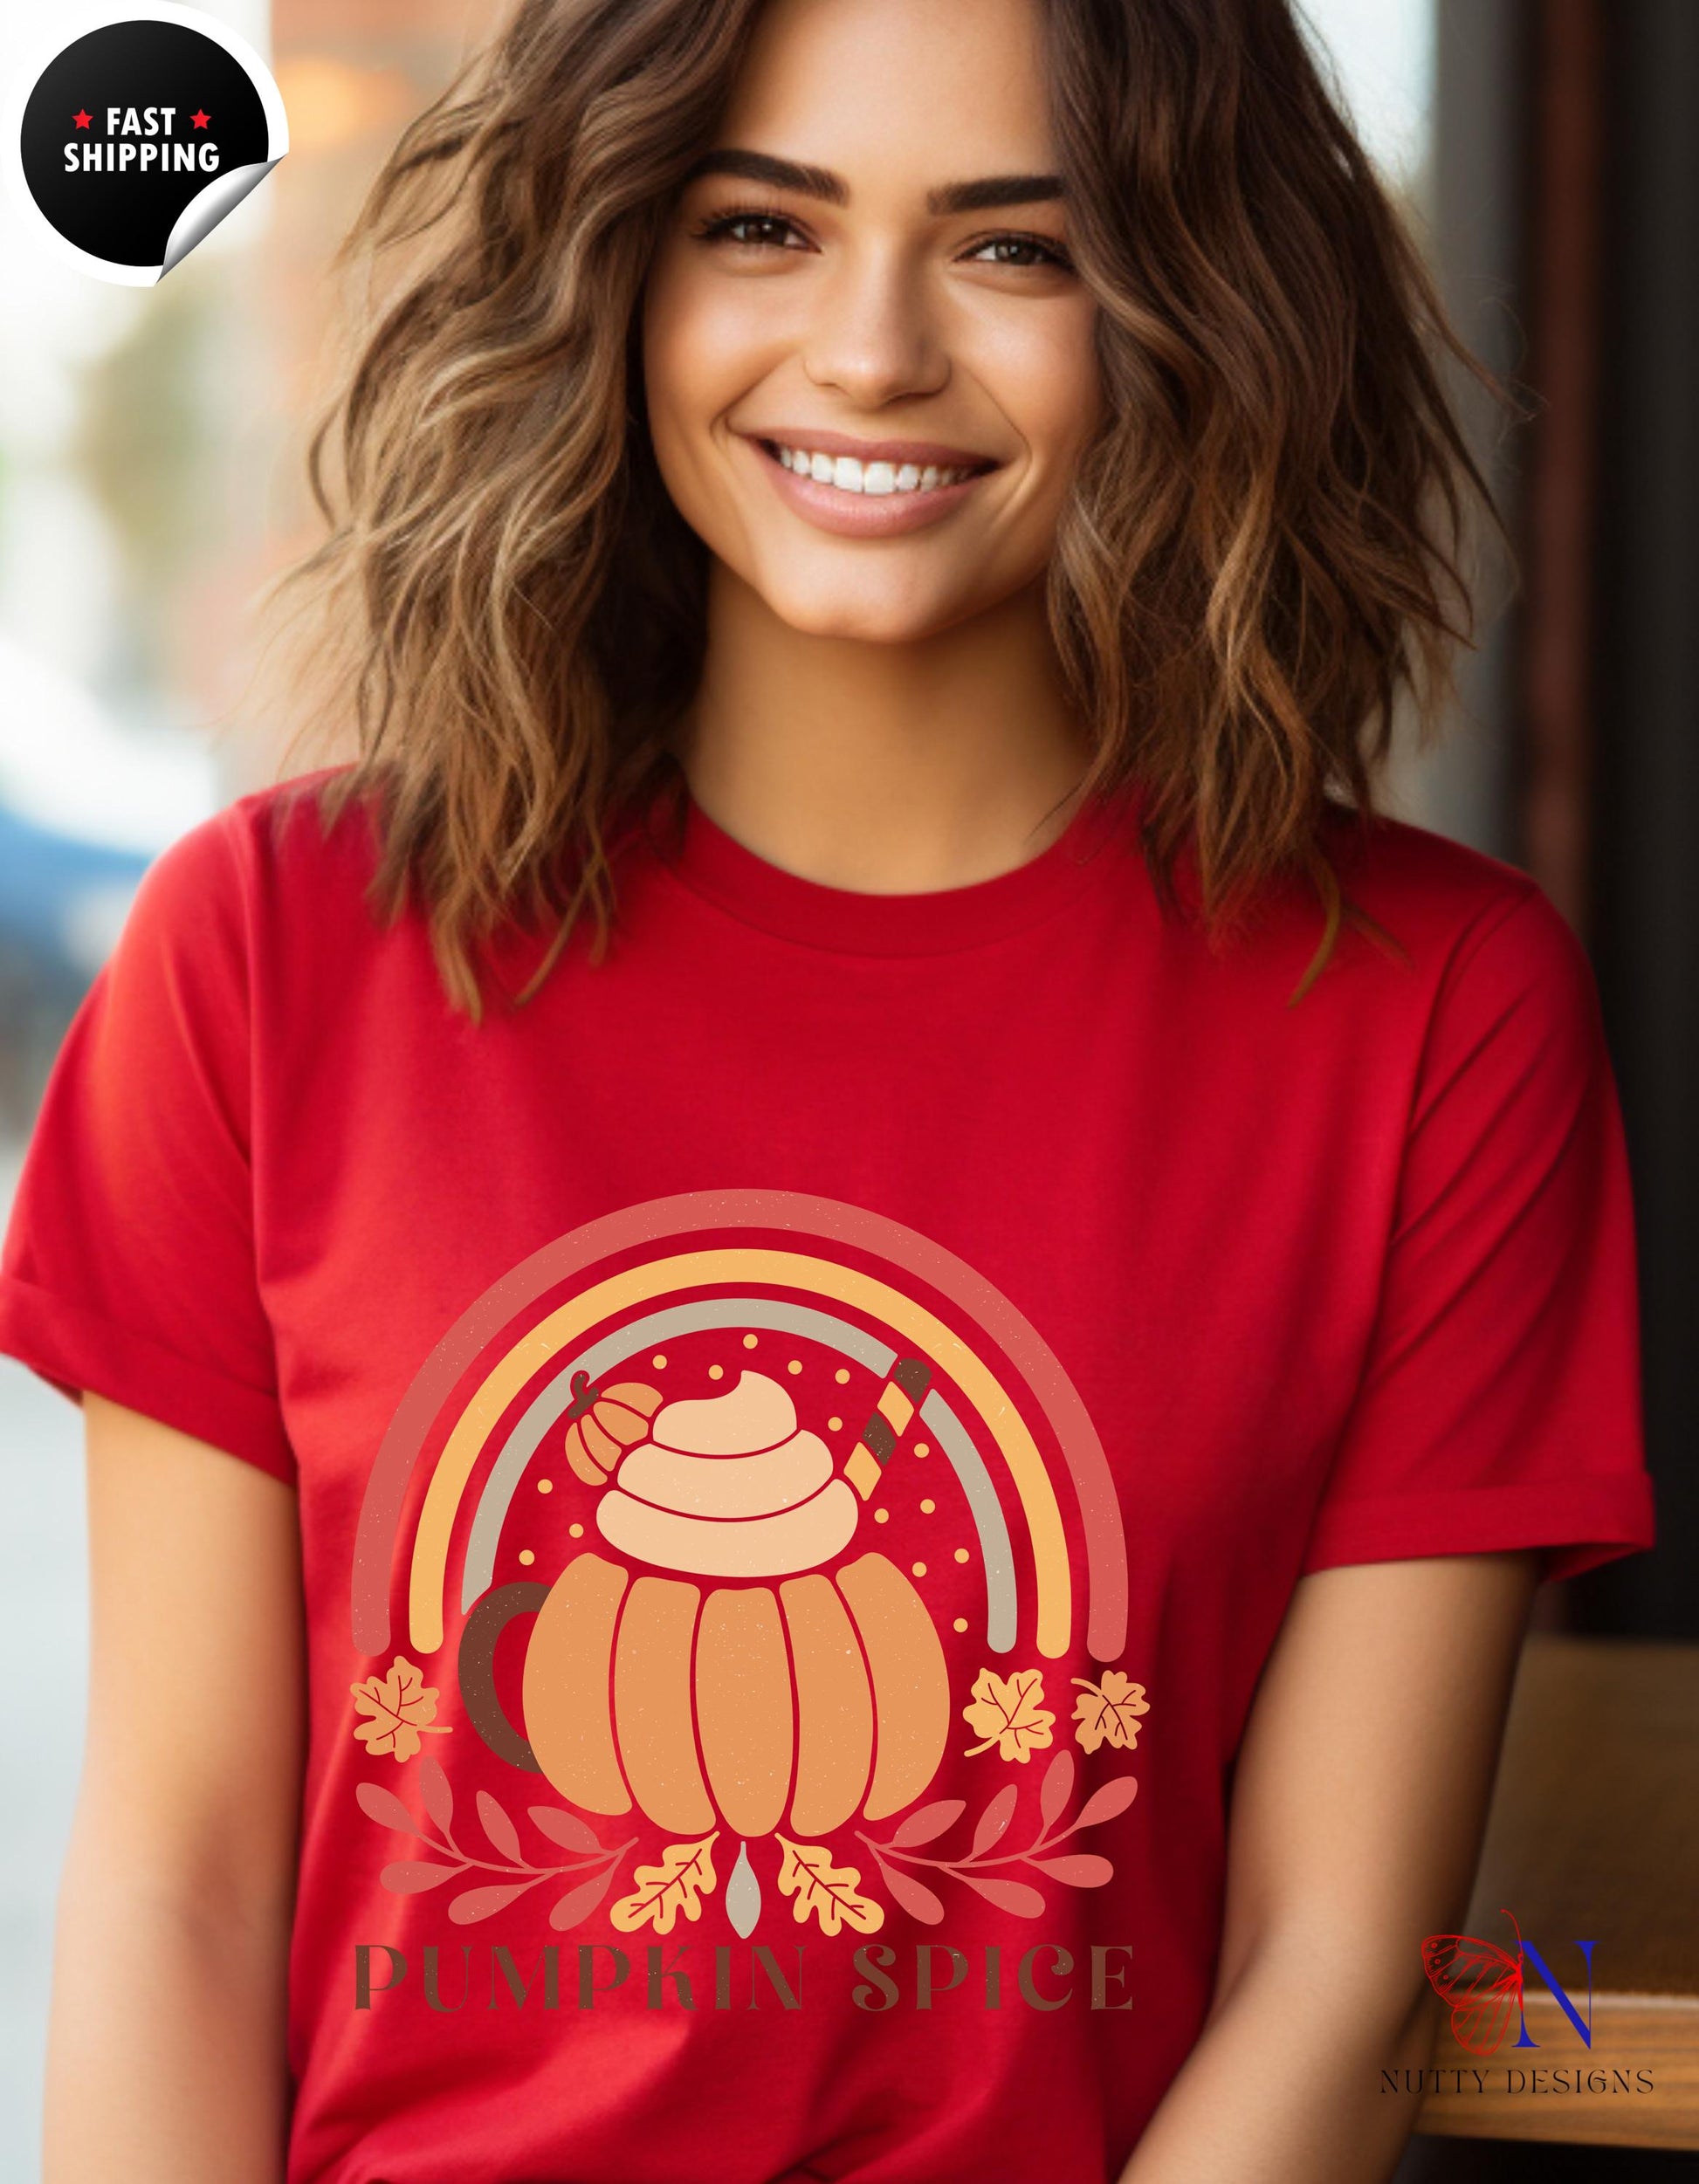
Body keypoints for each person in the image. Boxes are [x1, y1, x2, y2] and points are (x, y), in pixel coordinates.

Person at [0, 0, 1656, 2177]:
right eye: (761, 226)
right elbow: (177, 1896)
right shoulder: (268, 956)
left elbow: (1333, 1973)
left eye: (1017, 249)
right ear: (613, 269)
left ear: (1197, 310)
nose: (870, 350)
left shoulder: (1433, 1011)